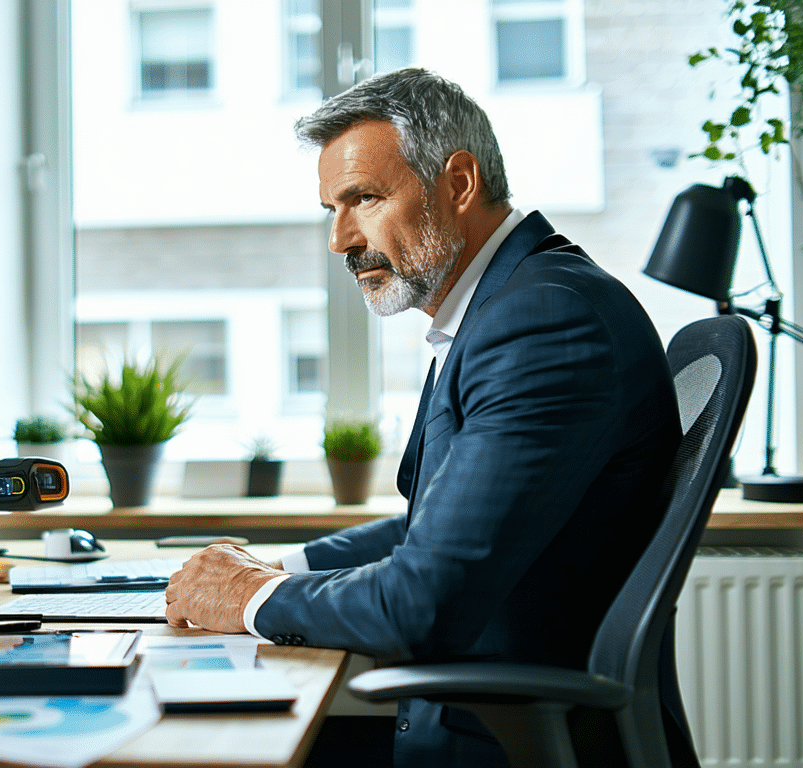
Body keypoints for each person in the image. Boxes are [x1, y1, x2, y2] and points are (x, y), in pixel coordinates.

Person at [163, 68, 684, 766]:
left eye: (365, 200)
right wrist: (279, 564)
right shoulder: (505, 306)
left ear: (459, 183)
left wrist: (252, 593)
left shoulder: (542, 322)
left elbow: (422, 606)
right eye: (332, 210)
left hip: (498, 747)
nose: (341, 240)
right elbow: (435, 527)